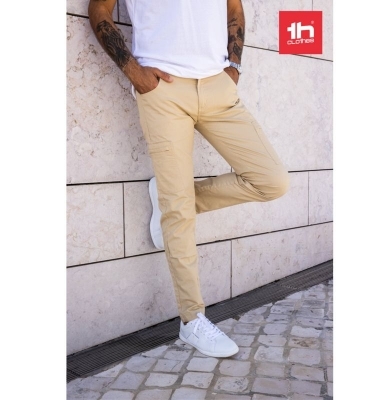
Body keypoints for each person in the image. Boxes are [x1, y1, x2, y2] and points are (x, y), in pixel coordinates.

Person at [88, 0, 290, 358]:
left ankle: (170, 200)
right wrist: (134, 72)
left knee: (271, 180)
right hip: (162, 89)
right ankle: (192, 319)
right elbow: (99, 10)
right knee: (178, 211)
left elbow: (234, 9)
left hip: (217, 87)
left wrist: (233, 67)